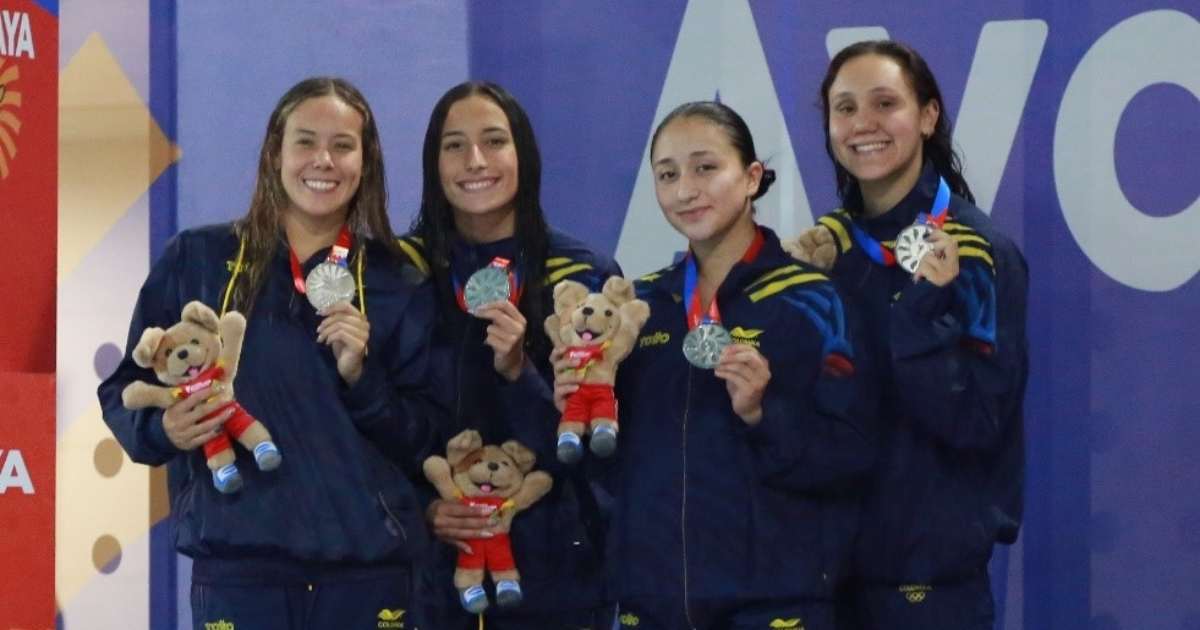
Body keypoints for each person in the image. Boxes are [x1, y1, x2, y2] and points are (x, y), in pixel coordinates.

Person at [97, 77, 441, 630]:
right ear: (275, 154)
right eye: (306, 141)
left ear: (366, 161)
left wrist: (362, 380)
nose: (323, 160)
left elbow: (427, 436)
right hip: (239, 576)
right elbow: (123, 389)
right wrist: (165, 429)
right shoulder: (198, 258)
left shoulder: (397, 282)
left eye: (343, 145)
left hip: (368, 578)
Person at [555, 101, 876, 630]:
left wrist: (764, 414)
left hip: (773, 606)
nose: (685, 190)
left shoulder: (814, 301)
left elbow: (855, 455)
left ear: (751, 177)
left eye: (705, 167)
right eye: (668, 174)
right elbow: (617, 473)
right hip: (651, 604)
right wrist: (581, 411)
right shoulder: (638, 309)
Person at [787, 40, 1029, 630]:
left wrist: (920, 316)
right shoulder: (826, 253)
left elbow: (978, 423)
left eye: (885, 103)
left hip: (927, 585)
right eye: (845, 108)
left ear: (927, 116)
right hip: (822, 579)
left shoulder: (977, 252)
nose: (862, 124)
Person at [400, 81, 620, 630]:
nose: (475, 160)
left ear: (524, 154)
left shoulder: (584, 276)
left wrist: (521, 373)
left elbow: (601, 454)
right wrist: (421, 507)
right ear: (432, 163)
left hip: (557, 581)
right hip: (435, 581)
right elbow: (374, 424)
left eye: (494, 141)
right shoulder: (400, 273)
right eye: (454, 145)